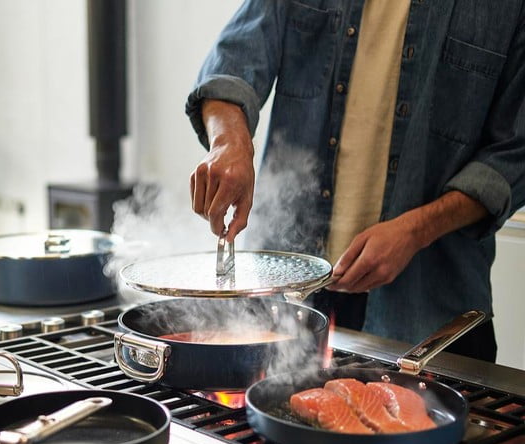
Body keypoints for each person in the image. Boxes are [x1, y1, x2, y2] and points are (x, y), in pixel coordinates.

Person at [186, 0, 525, 362]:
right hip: (286, 305)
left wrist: (416, 231)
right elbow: (231, 63)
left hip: (430, 312)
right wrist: (230, 142)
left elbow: (514, 153)